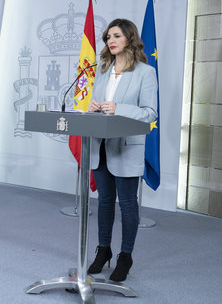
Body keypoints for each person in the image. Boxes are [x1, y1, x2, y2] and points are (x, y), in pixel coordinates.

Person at [86, 19, 157, 281]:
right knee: (104, 201)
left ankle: (125, 256)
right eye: (107, 37)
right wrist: (94, 108)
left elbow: (150, 113)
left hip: (126, 146)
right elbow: (99, 104)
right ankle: (103, 250)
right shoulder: (102, 70)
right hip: (101, 145)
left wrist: (118, 108)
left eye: (116, 36)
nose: (110, 41)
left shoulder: (145, 72)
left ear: (129, 38)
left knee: (127, 204)